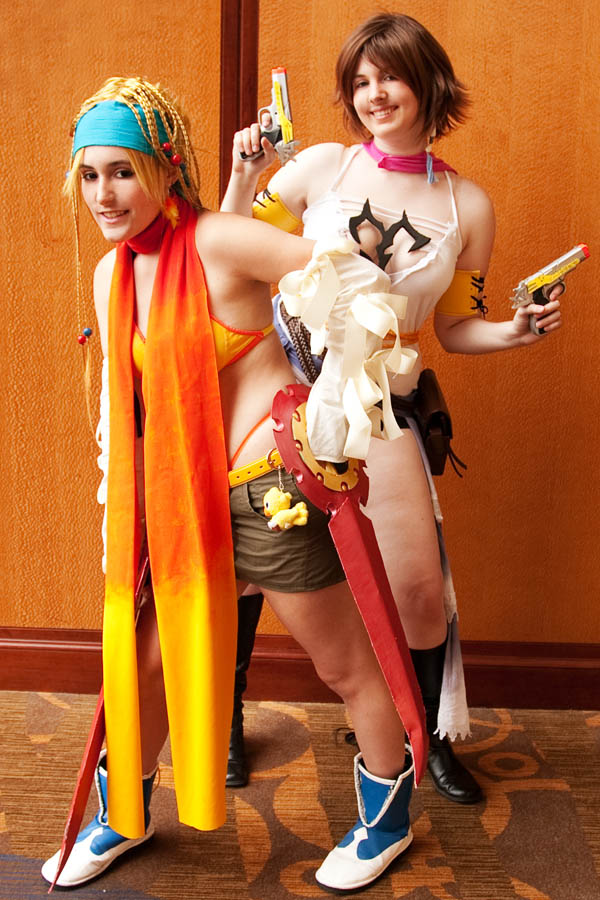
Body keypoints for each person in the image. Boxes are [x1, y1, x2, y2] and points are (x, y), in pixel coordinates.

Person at [41, 75, 426, 894]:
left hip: (265, 491)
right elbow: (128, 405)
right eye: (91, 174)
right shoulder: (112, 276)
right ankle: (124, 814)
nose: (105, 193)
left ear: (165, 167)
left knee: (343, 666)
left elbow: (358, 285)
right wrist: (122, 505)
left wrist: (334, 404)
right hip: (178, 500)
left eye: (123, 171)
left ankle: (387, 820)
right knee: (145, 665)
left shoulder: (221, 240)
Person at [221, 12, 562, 804]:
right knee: (247, 571)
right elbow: (228, 250)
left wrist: (514, 332)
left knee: (416, 588)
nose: (374, 94)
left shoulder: (467, 206)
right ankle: (225, 721)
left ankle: (424, 736)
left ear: (429, 83)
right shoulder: (320, 168)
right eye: (361, 81)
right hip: (282, 392)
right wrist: (246, 172)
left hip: (380, 405)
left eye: (391, 76)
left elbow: (456, 326)